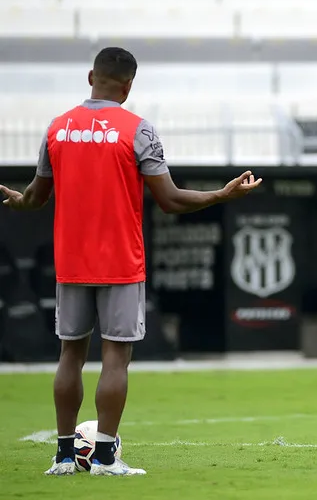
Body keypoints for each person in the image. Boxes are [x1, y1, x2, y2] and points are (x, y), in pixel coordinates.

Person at [0, 47, 262, 475]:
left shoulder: (57, 128)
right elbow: (170, 199)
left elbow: (35, 196)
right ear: (128, 86)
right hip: (120, 262)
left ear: (91, 77)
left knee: (70, 356)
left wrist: (18, 202)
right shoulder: (138, 130)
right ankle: (104, 457)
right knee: (115, 358)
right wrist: (221, 194)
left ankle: (63, 457)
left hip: (71, 261)